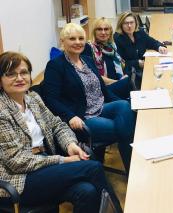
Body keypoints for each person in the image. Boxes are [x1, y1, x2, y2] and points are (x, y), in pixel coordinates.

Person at [0, 51, 122, 213]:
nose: (20, 78)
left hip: (43, 164)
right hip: (18, 179)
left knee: (87, 191)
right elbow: (17, 162)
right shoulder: (2, 111)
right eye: (11, 74)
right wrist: (62, 160)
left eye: (23, 72)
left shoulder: (33, 98)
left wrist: (70, 144)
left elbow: (57, 125)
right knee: (92, 168)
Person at [42, 23, 135, 174]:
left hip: (100, 106)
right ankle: (133, 171)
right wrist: (70, 116)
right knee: (125, 129)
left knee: (125, 106)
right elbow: (50, 99)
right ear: (62, 41)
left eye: (81, 38)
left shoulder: (87, 60)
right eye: (72, 38)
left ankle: (133, 169)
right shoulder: (56, 65)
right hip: (83, 116)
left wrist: (125, 102)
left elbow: (104, 91)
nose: (78, 42)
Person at [114, 11, 168, 89]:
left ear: (135, 23)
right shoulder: (117, 39)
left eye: (131, 22)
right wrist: (137, 63)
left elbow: (152, 42)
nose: (129, 26)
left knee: (164, 76)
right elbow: (120, 63)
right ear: (121, 25)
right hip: (130, 74)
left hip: (144, 68)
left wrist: (159, 47)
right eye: (126, 23)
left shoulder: (139, 32)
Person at [82, 17, 132, 99]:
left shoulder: (111, 46)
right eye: (99, 29)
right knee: (130, 84)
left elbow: (121, 64)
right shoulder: (88, 48)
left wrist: (124, 77)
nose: (103, 32)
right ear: (94, 32)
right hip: (102, 89)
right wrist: (117, 82)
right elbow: (92, 75)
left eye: (106, 29)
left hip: (116, 84)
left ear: (110, 31)